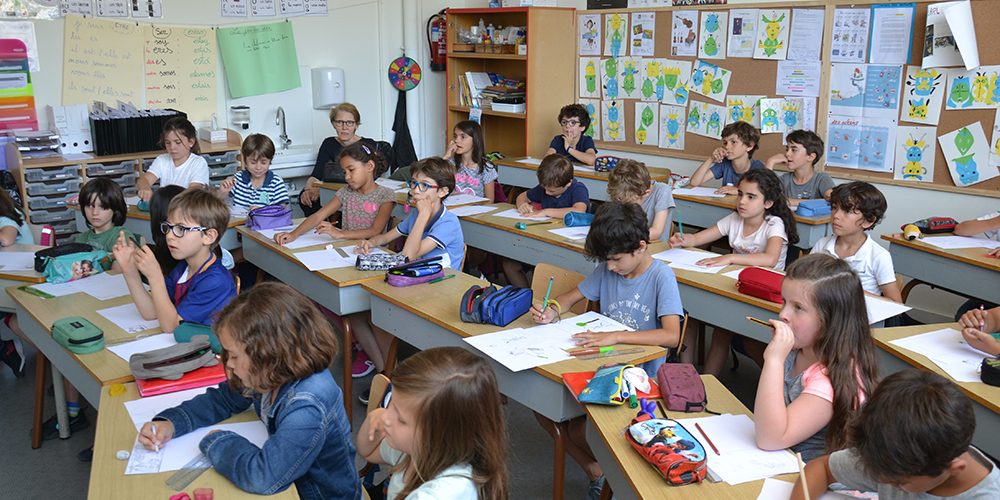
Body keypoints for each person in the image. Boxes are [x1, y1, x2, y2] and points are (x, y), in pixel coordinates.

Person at [139, 282, 360, 499]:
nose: (229, 364)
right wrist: (171, 423)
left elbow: (262, 477)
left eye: (234, 356)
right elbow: (224, 398)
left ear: (268, 353)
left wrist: (217, 441)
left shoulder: (307, 405)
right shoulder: (270, 371)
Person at [530, 202, 683, 499]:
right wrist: (552, 309)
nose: (611, 267)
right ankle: (596, 470)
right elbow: (570, 297)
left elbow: (671, 336)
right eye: (607, 260)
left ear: (640, 247)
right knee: (542, 406)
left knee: (579, 431)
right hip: (600, 368)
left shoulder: (661, 277)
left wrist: (615, 336)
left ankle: (616, 473)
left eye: (615, 259)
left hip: (638, 383)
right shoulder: (608, 269)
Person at [792, 370, 1000, 499]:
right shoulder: (892, 453)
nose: (885, 482)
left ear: (954, 468)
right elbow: (821, 468)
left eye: (899, 484)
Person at [670, 168, 797, 375]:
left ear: (768, 203)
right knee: (691, 314)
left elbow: (770, 259)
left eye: (751, 197)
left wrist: (730, 257)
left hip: (763, 294)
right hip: (733, 284)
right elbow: (699, 238)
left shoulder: (774, 223)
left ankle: (708, 381)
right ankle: (687, 373)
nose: (742, 201)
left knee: (722, 330)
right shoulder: (734, 219)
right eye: (740, 194)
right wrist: (684, 239)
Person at [754, 253, 878, 462]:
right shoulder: (795, 349)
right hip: (778, 459)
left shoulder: (832, 378)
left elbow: (770, 439)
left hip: (807, 472)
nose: (783, 314)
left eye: (798, 308)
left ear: (831, 320)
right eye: (784, 302)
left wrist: (773, 361)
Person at [353, 157, 464, 376]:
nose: (415, 190)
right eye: (413, 183)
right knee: (365, 312)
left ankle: (393, 373)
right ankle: (388, 373)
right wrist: (371, 242)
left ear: (442, 192)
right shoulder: (415, 215)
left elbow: (409, 255)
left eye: (424, 185)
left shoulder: (448, 223)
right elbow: (388, 237)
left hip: (442, 290)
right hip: (416, 282)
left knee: (381, 312)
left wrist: (423, 215)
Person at [357, 347, 508, 500]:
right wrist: (373, 419)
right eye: (391, 402)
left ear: (441, 436)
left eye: (401, 419)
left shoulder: (442, 494)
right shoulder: (416, 447)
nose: (386, 417)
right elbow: (369, 453)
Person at [113, 189, 236, 332]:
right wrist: (129, 269)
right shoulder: (184, 267)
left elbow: (172, 327)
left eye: (181, 229)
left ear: (208, 236)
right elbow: (151, 312)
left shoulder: (216, 281)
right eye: (169, 227)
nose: (169, 236)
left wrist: (155, 277)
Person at [274, 140, 394, 247]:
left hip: (373, 252)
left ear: (370, 166)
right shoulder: (345, 192)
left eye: (351, 170)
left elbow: (375, 231)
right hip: (347, 248)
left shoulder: (385, 195)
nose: (347, 177)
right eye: (344, 172)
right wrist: (293, 234)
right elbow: (318, 216)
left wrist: (340, 233)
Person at [504, 154, 590, 288]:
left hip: (564, 248)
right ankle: (527, 296)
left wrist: (546, 211)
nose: (547, 193)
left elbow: (579, 210)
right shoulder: (546, 187)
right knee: (509, 265)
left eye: (551, 191)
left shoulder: (578, 189)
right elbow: (522, 196)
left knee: (548, 273)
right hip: (541, 241)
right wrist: (522, 204)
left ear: (568, 183)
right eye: (545, 189)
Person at [810, 182, 902, 302]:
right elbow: (804, 278)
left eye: (847, 211)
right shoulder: (822, 244)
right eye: (834, 207)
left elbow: (896, 302)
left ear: (868, 221)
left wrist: (856, 293)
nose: (836, 215)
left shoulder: (878, 256)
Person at [299, 103, 370, 216]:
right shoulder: (328, 143)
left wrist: (324, 190)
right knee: (306, 196)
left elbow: (366, 180)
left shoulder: (366, 145)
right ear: (333, 124)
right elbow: (316, 174)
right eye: (339, 122)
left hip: (352, 190)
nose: (344, 127)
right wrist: (308, 189)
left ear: (356, 125)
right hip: (328, 188)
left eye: (349, 123)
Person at [136, 117, 208, 201]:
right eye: (168, 143)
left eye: (178, 142)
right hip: (166, 206)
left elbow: (194, 190)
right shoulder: (162, 160)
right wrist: (145, 188)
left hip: (187, 206)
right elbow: (144, 179)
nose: (172, 147)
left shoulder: (198, 162)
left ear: (191, 142)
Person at [76, 177, 137, 270]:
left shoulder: (121, 237)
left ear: (115, 209)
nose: (95, 212)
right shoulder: (81, 239)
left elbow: (124, 268)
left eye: (103, 207)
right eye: (90, 206)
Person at [688, 121, 765, 195]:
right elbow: (694, 183)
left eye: (733, 142)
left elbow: (761, 192)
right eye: (725, 142)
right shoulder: (724, 163)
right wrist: (711, 158)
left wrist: (738, 191)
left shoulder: (759, 167)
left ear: (749, 146)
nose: (727, 147)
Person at [606, 158, 675, 241]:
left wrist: (623, 237)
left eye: (628, 202)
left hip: (654, 245)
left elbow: (656, 232)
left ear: (646, 193)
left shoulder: (662, 191)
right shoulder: (621, 190)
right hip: (626, 243)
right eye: (619, 199)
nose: (622, 204)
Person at [764, 129, 834, 207]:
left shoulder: (822, 179)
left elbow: (833, 199)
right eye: (787, 149)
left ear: (811, 157)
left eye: (794, 150)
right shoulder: (784, 179)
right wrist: (770, 162)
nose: (787, 154)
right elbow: (765, 197)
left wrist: (788, 201)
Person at [219, 133, 289, 209]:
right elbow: (219, 204)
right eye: (253, 162)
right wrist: (222, 192)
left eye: (263, 162)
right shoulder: (238, 179)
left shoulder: (276, 182)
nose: (258, 167)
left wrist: (262, 212)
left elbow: (283, 209)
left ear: (270, 161)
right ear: (245, 160)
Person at [443, 119, 498, 201]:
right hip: (452, 206)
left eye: (463, 137)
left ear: (475, 140)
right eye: (455, 136)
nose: (456, 140)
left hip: (476, 208)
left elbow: (489, 201)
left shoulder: (486, 168)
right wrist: (446, 156)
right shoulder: (450, 163)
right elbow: (434, 178)